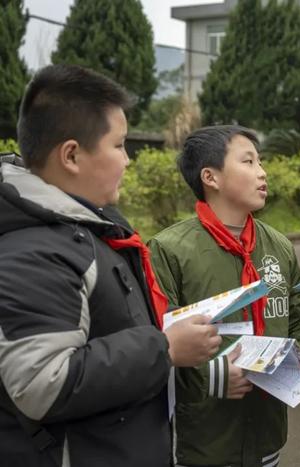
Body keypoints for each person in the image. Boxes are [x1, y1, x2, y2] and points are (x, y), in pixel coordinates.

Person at [0, 64, 221, 467]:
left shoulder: (87, 226)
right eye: (119, 146)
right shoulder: (33, 250)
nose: (128, 160)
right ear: (71, 155)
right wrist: (165, 347)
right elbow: (41, 384)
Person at [148, 125, 300, 467]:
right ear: (210, 177)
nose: (262, 172)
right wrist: (211, 375)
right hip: (203, 442)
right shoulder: (169, 250)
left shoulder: (277, 245)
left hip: (267, 435)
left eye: (260, 161)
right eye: (248, 162)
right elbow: (156, 343)